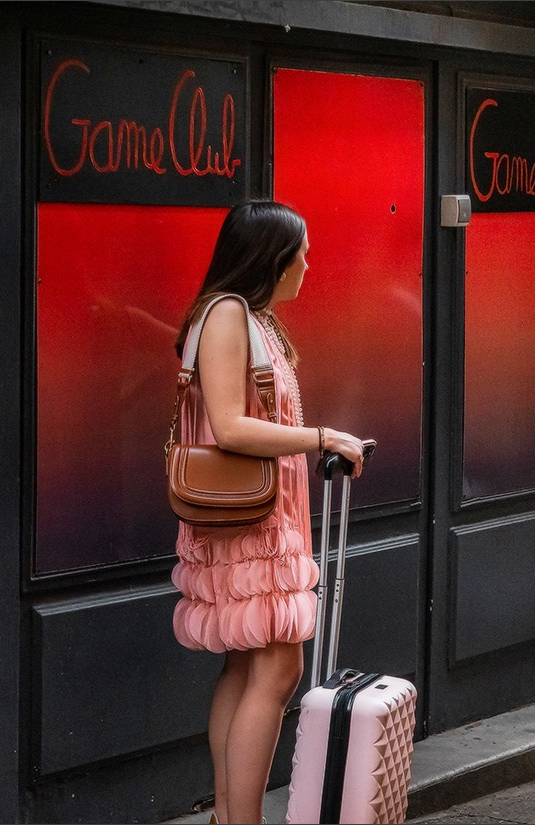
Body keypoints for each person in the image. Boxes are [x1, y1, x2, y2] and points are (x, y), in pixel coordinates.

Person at [170, 200, 369, 824]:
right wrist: (321, 438)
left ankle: (232, 818)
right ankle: (241, 820)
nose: (309, 263)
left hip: (264, 516)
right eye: (300, 251)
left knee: (249, 662)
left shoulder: (247, 316)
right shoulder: (229, 313)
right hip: (250, 521)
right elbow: (230, 426)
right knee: (279, 666)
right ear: (270, 257)